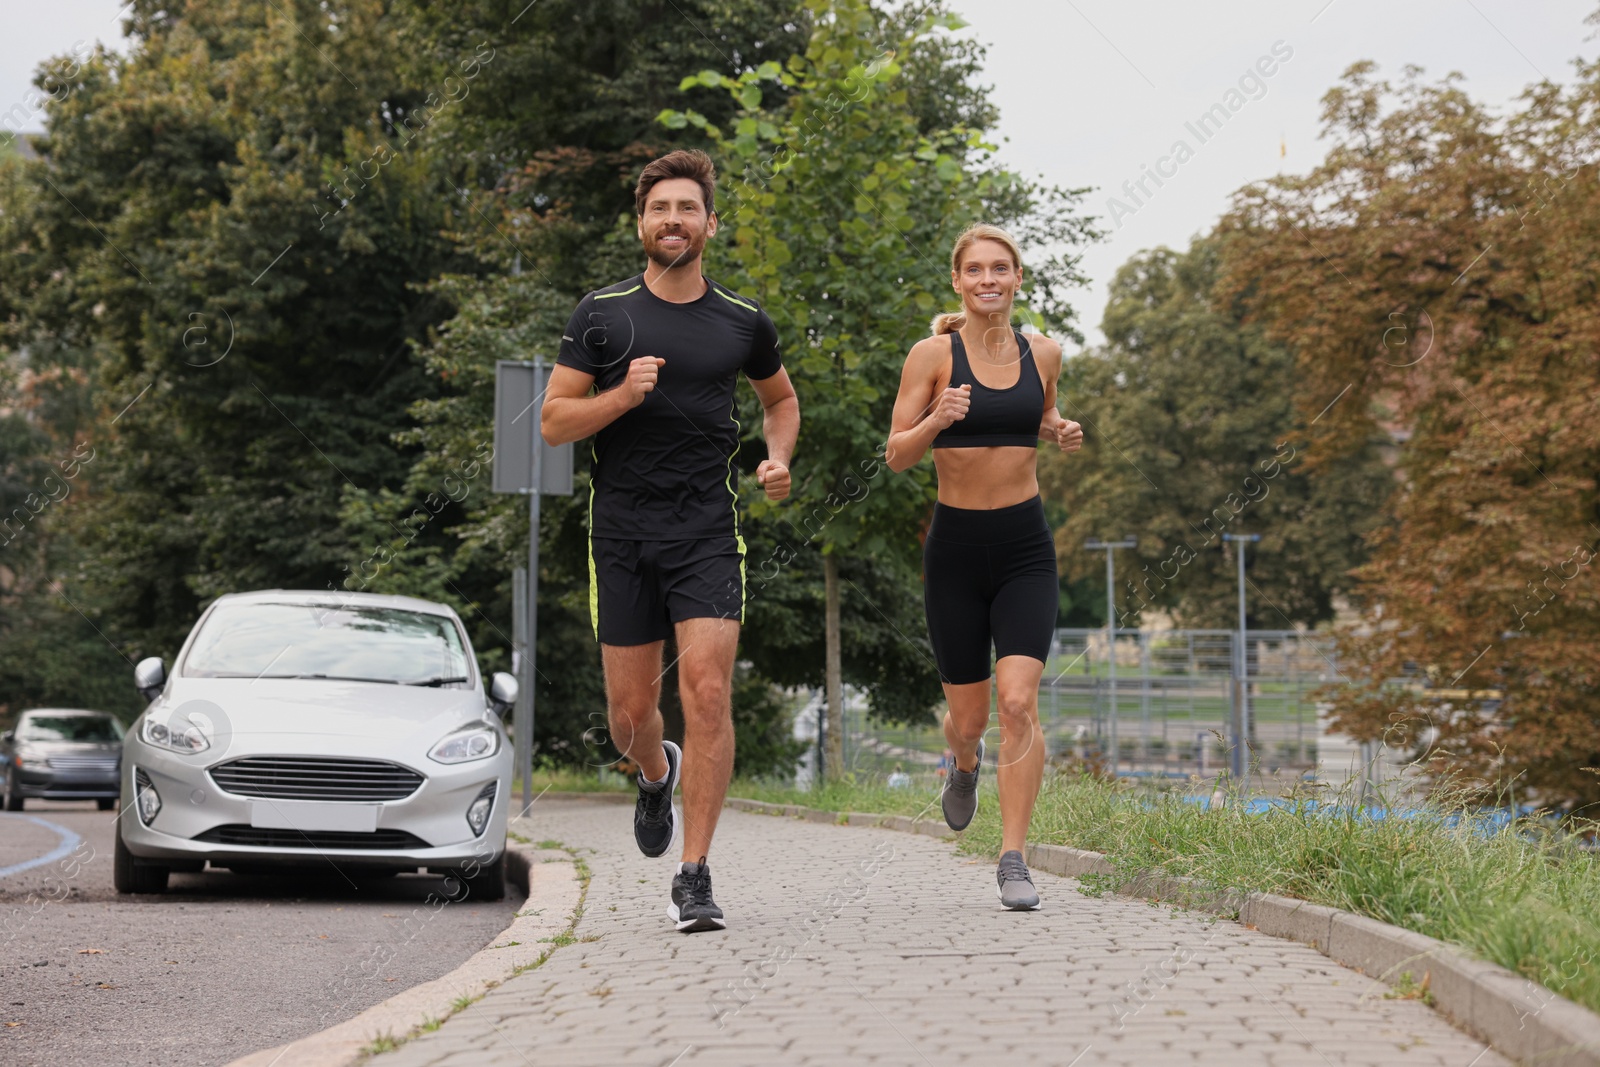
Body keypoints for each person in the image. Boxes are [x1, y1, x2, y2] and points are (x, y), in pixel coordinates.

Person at [541, 149, 800, 933]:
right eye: (661, 209)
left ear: (710, 223)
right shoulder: (601, 314)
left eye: (688, 209)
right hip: (620, 533)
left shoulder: (742, 320)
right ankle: (655, 772)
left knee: (709, 695)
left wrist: (777, 455)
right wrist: (623, 395)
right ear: (642, 222)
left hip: (706, 533)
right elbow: (554, 421)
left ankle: (694, 874)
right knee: (628, 715)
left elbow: (780, 401)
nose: (674, 221)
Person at [885, 223, 1082, 910]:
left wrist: (1059, 427)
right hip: (956, 550)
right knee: (968, 719)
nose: (989, 279)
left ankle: (1013, 857)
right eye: (976, 269)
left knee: (1019, 702)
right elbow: (896, 454)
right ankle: (963, 761)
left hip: (1027, 546)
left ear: (1018, 278)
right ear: (958, 281)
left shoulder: (1045, 352)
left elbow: (1043, 409)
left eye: (1001, 268)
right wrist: (937, 417)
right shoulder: (932, 355)